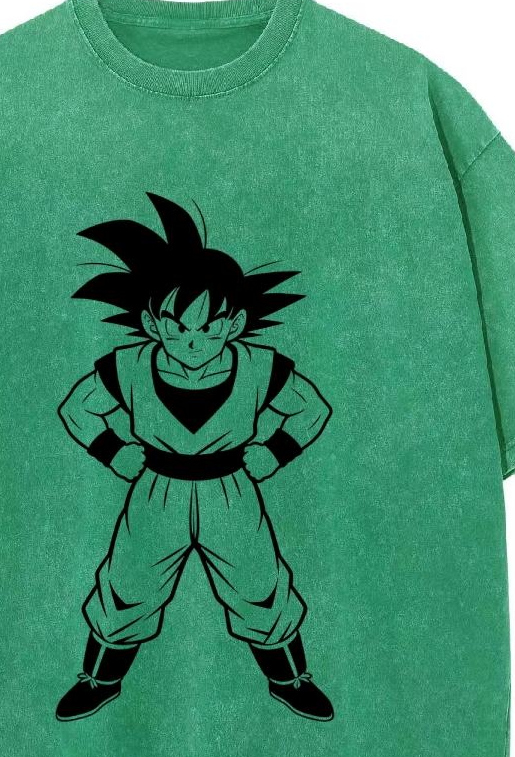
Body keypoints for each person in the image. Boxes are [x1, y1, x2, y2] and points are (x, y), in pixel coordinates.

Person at [56, 192, 333, 722]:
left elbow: (312, 409)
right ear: (153, 322)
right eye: (178, 326)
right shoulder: (129, 365)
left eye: (207, 327)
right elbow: (77, 409)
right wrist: (111, 450)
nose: (192, 340)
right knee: (128, 586)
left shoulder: (259, 366)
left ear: (234, 324)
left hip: (231, 490)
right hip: (155, 490)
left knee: (258, 586)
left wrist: (276, 451)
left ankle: (290, 679)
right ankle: (99, 680)